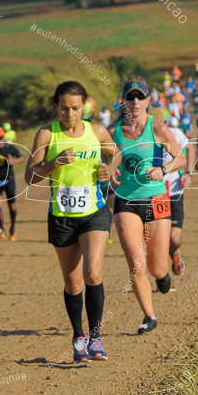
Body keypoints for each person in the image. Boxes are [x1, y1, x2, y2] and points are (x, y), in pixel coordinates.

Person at [25, 81, 119, 362]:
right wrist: (54, 163)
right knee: (73, 283)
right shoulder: (47, 134)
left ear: (85, 106)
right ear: (56, 106)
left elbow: (117, 154)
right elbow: (30, 177)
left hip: (94, 213)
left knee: (93, 274)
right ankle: (79, 336)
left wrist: (108, 170)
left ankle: (96, 339)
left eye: (76, 108)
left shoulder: (97, 131)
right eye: (64, 108)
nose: (70, 114)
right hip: (62, 217)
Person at [110, 79, 185, 336]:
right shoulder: (114, 132)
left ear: (148, 102)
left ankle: (163, 276)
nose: (135, 103)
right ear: (124, 102)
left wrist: (162, 169)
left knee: (156, 267)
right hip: (126, 201)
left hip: (157, 199)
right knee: (135, 263)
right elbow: (104, 160)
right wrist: (109, 172)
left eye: (140, 98)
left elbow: (182, 158)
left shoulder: (159, 128)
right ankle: (149, 316)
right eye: (130, 98)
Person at [0, 127, 26, 240]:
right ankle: (1, 228)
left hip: (9, 180)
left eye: (0, 138)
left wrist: (14, 161)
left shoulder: (10, 147)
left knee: (11, 206)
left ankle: (12, 228)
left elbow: (23, 157)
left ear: (4, 138)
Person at [164, 116, 192, 278]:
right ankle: (164, 275)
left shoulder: (174, 133)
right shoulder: (143, 136)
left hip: (174, 191)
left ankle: (175, 253)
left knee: (174, 237)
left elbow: (191, 148)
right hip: (153, 194)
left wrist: (188, 173)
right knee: (159, 238)